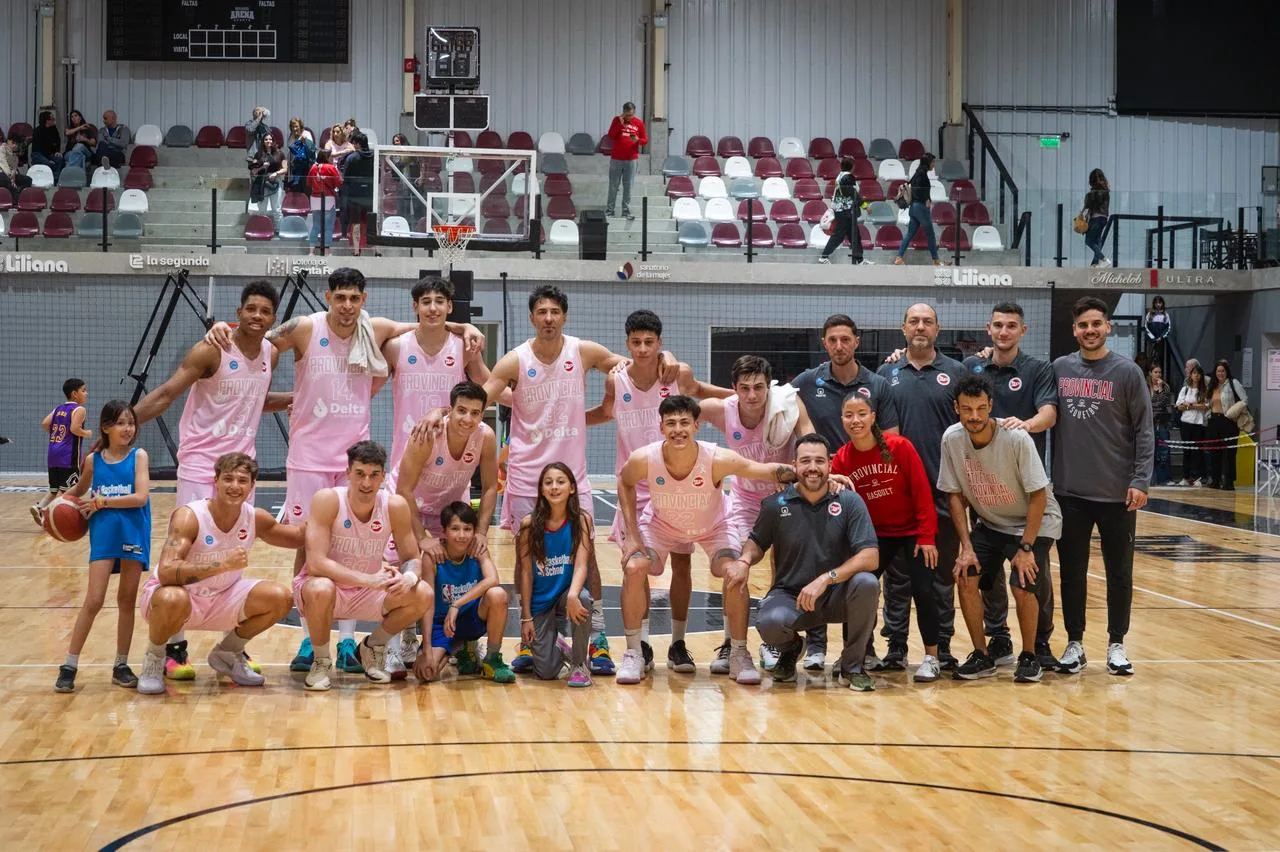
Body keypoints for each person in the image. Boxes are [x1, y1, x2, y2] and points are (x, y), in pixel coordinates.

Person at [204, 268, 479, 676]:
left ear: (363, 299)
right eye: (340, 297)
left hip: (354, 458)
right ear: (327, 296)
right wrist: (222, 328)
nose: (347, 305)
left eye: (354, 297)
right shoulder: (305, 328)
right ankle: (308, 638)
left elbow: (426, 323)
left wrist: (465, 325)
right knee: (307, 543)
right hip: (309, 457)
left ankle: (348, 641)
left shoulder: (376, 328)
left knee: (361, 546)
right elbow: (257, 336)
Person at [423, 285, 677, 674]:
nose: (548, 318)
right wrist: (441, 410)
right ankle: (528, 638)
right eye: (541, 312)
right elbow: (479, 398)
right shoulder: (515, 360)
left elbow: (633, 364)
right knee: (526, 558)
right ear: (532, 318)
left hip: (572, 476)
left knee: (587, 557)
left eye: (555, 311)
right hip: (527, 477)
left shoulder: (583, 351)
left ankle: (597, 639)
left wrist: (667, 356)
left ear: (564, 316)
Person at [134, 281, 288, 680]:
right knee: (186, 554)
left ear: (273, 318)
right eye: (250, 308)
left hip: (241, 469)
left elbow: (254, 400)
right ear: (238, 312)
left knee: (233, 554)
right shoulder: (212, 348)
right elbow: (166, 394)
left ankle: (231, 650)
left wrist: (295, 399)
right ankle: (174, 648)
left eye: (265, 311)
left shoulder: (270, 353)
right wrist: (124, 425)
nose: (257, 316)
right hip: (202, 465)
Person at [615, 394, 798, 685]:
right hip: (662, 525)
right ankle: (634, 652)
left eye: (684, 422)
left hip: (714, 527)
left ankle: (738, 652)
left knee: (735, 572)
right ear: (661, 427)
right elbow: (624, 482)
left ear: (696, 426)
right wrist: (633, 535)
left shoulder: (716, 458)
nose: (678, 429)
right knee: (634, 567)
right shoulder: (644, 459)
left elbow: (764, 470)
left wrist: (814, 473)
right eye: (671, 423)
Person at [584, 309, 725, 674]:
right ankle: (641, 645)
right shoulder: (616, 379)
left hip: (677, 482)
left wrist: (747, 397)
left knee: (682, 563)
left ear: (660, 343)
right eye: (636, 342)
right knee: (638, 566)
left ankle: (677, 644)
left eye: (650, 342)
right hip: (634, 486)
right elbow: (605, 412)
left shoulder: (677, 374)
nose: (643, 349)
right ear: (627, 344)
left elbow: (702, 393)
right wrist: (567, 418)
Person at [136, 453, 301, 695]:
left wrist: (334, 512)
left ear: (252, 486)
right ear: (216, 481)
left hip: (223, 598)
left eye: (242, 481)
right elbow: (167, 572)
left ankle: (228, 653)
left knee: (280, 597)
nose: (235, 486)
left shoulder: (254, 517)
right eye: (228, 479)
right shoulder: (190, 516)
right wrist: (221, 565)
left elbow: (299, 538)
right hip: (180, 600)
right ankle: (155, 659)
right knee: (172, 597)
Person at [727, 434, 881, 692]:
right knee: (769, 622)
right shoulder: (776, 504)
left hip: (836, 594)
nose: (812, 467)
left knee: (867, 583)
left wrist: (826, 579)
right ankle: (792, 649)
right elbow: (757, 541)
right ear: (794, 465)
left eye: (819, 461)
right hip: (791, 596)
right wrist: (744, 560)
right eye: (806, 461)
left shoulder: (849, 501)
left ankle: (852, 666)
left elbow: (870, 556)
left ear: (830, 465)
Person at [693, 355, 816, 673]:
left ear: (768, 387)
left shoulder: (787, 403)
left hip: (785, 499)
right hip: (744, 501)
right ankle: (731, 644)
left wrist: (804, 471)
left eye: (758, 387)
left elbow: (809, 440)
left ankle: (775, 640)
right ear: (733, 388)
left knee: (783, 572)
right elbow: (681, 416)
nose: (751, 395)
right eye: (744, 388)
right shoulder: (720, 410)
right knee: (735, 566)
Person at [940, 374, 1063, 684]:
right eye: (967, 409)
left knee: (1022, 581)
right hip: (992, 522)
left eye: (981, 408)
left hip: (1035, 521)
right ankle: (982, 655)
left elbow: (1038, 495)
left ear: (991, 406)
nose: (975, 416)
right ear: (956, 408)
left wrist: (1026, 548)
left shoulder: (1016, 438)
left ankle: (1030, 656)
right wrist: (966, 548)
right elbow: (953, 495)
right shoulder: (951, 439)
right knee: (965, 575)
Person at [1053, 296, 1152, 676]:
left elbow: (1144, 430)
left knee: (1119, 573)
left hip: (1117, 493)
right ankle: (1074, 643)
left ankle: (1116, 644)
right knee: (1071, 573)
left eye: (1096, 323)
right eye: (1083, 325)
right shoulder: (1060, 368)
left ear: (1108, 326)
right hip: (1070, 492)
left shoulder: (1128, 372)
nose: (1090, 330)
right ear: (1074, 330)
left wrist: (1140, 479)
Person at [960, 301, 1060, 669]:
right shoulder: (971, 367)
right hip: (984, 489)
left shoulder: (1038, 369)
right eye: (998, 325)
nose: (1004, 332)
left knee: (1032, 573)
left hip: (1025, 489)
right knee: (985, 575)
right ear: (989, 329)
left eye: (1011, 326)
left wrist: (1026, 424)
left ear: (1023, 330)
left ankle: (1041, 643)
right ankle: (998, 636)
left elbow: (1050, 413)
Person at [294, 441, 432, 691]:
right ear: (348, 473)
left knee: (423, 593)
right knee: (321, 587)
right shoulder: (328, 500)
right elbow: (315, 563)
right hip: (326, 589)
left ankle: (372, 646)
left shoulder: (395, 505)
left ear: (383, 476)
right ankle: (321, 661)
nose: (366, 482)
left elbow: (412, 558)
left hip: (367, 591)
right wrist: (368, 579)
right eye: (359, 474)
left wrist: (408, 578)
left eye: (374, 475)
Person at [876, 303, 966, 671]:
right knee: (897, 580)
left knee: (941, 578)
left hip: (944, 494)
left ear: (937, 329)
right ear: (903, 328)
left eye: (927, 321)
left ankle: (942, 646)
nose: (920, 327)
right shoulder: (886, 374)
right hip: (897, 497)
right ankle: (896, 646)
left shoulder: (956, 373)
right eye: (913, 321)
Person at [831, 395, 941, 681]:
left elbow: (921, 491)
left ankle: (932, 657)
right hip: (874, 536)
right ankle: (855, 654)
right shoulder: (842, 458)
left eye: (861, 414)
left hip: (912, 531)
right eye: (849, 415)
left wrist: (927, 536)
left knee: (924, 589)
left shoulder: (900, 447)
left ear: (873, 417)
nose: (855, 420)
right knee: (856, 586)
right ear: (842, 420)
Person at [392, 380, 498, 675]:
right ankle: (405, 639)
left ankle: (465, 640)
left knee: (467, 561)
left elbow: (490, 487)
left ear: (482, 415)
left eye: (475, 413)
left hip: (448, 508)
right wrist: (421, 537)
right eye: (461, 411)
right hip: (410, 504)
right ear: (449, 410)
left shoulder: (485, 437)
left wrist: (481, 532)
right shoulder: (428, 435)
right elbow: (403, 490)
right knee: (407, 568)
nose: (468, 419)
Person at [54, 401, 151, 693]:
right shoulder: (93, 461)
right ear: (106, 427)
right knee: (94, 599)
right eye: (121, 423)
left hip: (133, 530)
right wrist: (54, 506)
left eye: (131, 423)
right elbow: (79, 490)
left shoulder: (139, 456)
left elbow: (141, 497)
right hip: (104, 533)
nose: (128, 428)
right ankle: (69, 664)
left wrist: (103, 502)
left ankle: (121, 665)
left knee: (126, 600)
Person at [384, 278, 493, 494]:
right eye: (426, 302)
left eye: (440, 301)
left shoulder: (464, 347)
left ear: (449, 306)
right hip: (406, 461)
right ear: (415, 306)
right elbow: (365, 391)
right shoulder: (395, 347)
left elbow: (492, 388)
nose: (433, 308)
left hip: (450, 470)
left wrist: (529, 401)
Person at [414, 501, 514, 684]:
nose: (461, 535)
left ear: (474, 531)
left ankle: (491, 659)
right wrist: (427, 649)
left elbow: (493, 579)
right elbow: (427, 605)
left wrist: (456, 604)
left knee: (497, 594)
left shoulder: (477, 549)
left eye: (467, 529)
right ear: (444, 531)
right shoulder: (432, 556)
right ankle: (459, 647)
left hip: (471, 617)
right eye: (455, 529)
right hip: (442, 624)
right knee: (427, 674)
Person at [516, 463, 595, 686]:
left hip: (565, 596)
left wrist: (573, 594)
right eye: (548, 482)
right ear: (541, 490)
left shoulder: (581, 520)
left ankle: (579, 664)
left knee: (582, 598)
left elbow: (581, 565)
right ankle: (558, 644)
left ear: (572, 488)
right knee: (546, 672)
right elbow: (526, 573)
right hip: (541, 601)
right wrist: (526, 617)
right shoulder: (528, 525)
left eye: (560, 482)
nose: (554, 487)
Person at [33, 378, 90, 524]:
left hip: (52, 453)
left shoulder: (58, 409)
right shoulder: (79, 409)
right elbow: (74, 429)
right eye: (83, 390)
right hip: (67, 456)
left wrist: (59, 435)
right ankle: (57, 515)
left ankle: (39, 507)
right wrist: (87, 433)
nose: (86, 393)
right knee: (72, 490)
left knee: (54, 489)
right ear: (74, 394)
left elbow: (45, 424)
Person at [1205, 359, 1248, 491]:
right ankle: (1215, 480)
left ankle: (1229, 482)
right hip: (1214, 420)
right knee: (1214, 452)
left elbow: (1244, 400)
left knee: (1229, 453)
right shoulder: (1212, 385)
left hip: (1229, 420)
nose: (1220, 373)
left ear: (1227, 371)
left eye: (1222, 371)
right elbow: (1208, 402)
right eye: (1218, 371)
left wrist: (1233, 411)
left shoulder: (1234, 383)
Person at [894, 153, 942, 266]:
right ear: (928, 162)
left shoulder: (917, 173)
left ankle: (899, 257)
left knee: (910, 233)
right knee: (930, 234)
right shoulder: (922, 174)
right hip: (920, 207)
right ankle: (936, 260)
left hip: (913, 208)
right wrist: (926, 199)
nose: (934, 165)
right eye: (933, 162)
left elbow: (912, 186)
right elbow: (918, 190)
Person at [819, 156, 865, 265]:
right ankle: (824, 256)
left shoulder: (840, 176)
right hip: (845, 211)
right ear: (852, 166)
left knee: (854, 235)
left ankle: (860, 259)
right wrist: (865, 205)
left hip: (843, 210)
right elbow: (853, 193)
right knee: (839, 235)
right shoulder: (848, 177)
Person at [605, 101, 647, 220]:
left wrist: (638, 140)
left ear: (634, 113)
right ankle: (609, 211)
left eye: (631, 115)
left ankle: (626, 211)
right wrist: (620, 123)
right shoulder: (617, 120)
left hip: (631, 159)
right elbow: (611, 135)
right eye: (627, 115)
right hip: (616, 159)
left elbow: (645, 140)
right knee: (613, 185)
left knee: (628, 186)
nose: (629, 117)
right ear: (623, 112)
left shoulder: (638, 123)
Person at [1175, 363, 1209, 486]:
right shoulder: (1185, 389)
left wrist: (1190, 405)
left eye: (1198, 374)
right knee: (1186, 450)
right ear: (1191, 375)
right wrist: (1191, 406)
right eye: (1194, 373)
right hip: (1186, 422)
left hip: (1198, 423)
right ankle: (1185, 476)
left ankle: (1198, 477)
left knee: (1197, 451)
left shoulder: (1204, 390)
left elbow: (1205, 406)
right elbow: (1179, 405)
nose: (1196, 376)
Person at [341, 130, 375, 254]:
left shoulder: (352, 157)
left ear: (358, 144)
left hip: (355, 194)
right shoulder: (374, 156)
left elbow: (345, 176)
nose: (353, 146)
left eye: (354, 143)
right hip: (370, 193)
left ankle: (356, 250)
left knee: (355, 222)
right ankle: (374, 249)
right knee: (371, 222)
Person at [307, 149, 343, 254]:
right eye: (331, 156)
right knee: (328, 227)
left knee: (316, 226)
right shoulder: (331, 168)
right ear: (326, 157)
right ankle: (327, 252)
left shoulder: (313, 167)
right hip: (328, 199)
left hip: (315, 198)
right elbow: (339, 182)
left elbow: (308, 183)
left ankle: (311, 252)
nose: (332, 158)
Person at [248, 133, 286, 220]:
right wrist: (262, 167)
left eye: (270, 139)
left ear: (273, 141)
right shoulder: (258, 154)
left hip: (275, 182)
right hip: (262, 183)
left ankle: (278, 227)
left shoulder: (280, 153)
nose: (268, 141)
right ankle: (263, 227)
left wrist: (276, 173)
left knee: (276, 209)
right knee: (262, 210)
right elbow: (253, 171)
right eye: (266, 139)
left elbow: (285, 169)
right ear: (263, 142)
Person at [1149, 365, 1175, 486]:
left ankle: (1164, 479)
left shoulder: (1165, 387)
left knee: (1164, 451)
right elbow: (1149, 403)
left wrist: (1160, 389)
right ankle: (1151, 479)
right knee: (1151, 451)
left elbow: (1164, 403)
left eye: (1160, 372)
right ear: (1151, 373)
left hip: (1163, 422)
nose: (1158, 374)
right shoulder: (1146, 387)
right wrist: (1157, 401)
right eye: (1155, 372)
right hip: (1150, 422)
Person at [1081, 168, 1111, 268]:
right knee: (1097, 240)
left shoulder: (1093, 193)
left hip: (1095, 218)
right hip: (1104, 218)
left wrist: (1082, 213)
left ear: (1092, 180)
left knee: (1089, 241)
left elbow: (1088, 205)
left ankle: (1104, 259)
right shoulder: (1106, 191)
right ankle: (1095, 263)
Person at [29, 111, 64, 179]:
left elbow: (58, 141)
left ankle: (55, 180)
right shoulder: (37, 130)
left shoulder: (53, 129)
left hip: (49, 153)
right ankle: (46, 179)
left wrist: (57, 151)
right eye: (52, 119)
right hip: (38, 154)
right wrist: (48, 160)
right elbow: (39, 148)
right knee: (48, 163)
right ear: (47, 121)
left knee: (59, 159)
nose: (54, 120)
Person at [285, 117, 316, 194]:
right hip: (294, 169)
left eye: (296, 126)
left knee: (306, 191)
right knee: (296, 192)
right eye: (292, 127)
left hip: (305, 169)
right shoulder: (291, 136)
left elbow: (311, 150)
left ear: (300, 126)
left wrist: (305, 141)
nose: (294, 129)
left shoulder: (306, 134)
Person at [1143, 296, 1172, 368]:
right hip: (1151, 341)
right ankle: (1148, 372)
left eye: (1160, 302)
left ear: (1162, 304)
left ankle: (1159, 372)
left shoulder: (1165, 315)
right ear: (1154, 304)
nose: (1158, 304)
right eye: (1156, 303)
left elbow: (1168, 328)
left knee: (1160, 358)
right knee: (1149, 357)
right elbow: (1146, 327)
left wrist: (1161, 337)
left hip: (1161, 341)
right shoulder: (1150, 314)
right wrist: (1152, 338)